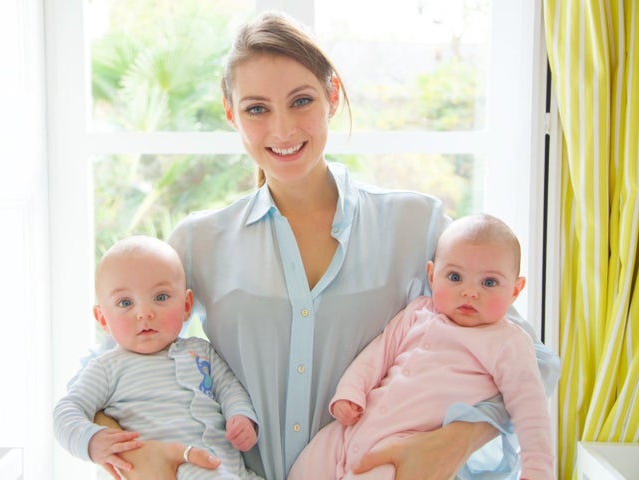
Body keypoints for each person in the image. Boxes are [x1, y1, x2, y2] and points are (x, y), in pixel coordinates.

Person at [90, 11, 560, 480]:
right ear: (231, 113)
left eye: (301, 101)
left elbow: (533, 363)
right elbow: (104, 370)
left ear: (332, 96)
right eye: (257, 108)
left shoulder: (416, 225)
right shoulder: (197, 242)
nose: (283, 129)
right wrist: (136, 451)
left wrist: (447, 444)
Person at [287, 214, 554, 480]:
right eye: (454, 276)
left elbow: (531, 409)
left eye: (489, 282)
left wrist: (537, 470)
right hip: (351, 429)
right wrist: (350, 391)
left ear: (516, 290)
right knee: (307, 466)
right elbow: (378, 354)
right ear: (432, 275)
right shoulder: (417, 313)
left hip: (405, 451)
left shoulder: (508, 342)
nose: (470, 292)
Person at [54, 235, 262, 479]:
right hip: (176, 471)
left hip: (233, 470)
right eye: (125, 302)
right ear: (102, 320)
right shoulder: (107, 368)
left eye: (161, 297)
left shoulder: (201, 351)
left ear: (186, 306)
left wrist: (241, 416)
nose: (144, 313)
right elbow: (66, 410)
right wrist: (91, 441)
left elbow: (228, 387)